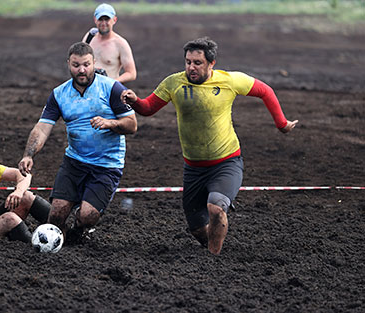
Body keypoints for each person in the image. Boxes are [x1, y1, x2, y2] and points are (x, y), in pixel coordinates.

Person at [121, 37, 298, 255]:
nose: (191, 67)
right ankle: (211, 246)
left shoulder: (230, 81)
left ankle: (214, 259)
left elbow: (265, 91)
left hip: (226, 161)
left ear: (211, 63)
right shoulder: (173, 83)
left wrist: (281, 124)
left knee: (216, 206)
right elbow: (148, 108)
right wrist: (134, 100)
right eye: (187, 62)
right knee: (196, 228)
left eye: (197, 63)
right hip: (193, 168)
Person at [19, 42, 137, 242]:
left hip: (106, 165)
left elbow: (132, 125)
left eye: (86, 64)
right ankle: (58, 242)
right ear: (68, 64)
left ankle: (78, 233)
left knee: (87, 216)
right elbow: (42, 128)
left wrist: (110, 123)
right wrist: (29, 154)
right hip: (74, 162)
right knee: (56, 215)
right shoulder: (59, 94)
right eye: (76, 65)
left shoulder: (112, 88)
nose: (81, 70)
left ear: (94, 63)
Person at [82, 3, 137, 83]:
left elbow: (131, 73)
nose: (103, 23)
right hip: (88, 88)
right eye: (100, 19)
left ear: (114, 20)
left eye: (107, 19)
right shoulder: (89, 37)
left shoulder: (121, 44)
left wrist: (112, 83)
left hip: (108, 92)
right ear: (95, 20)